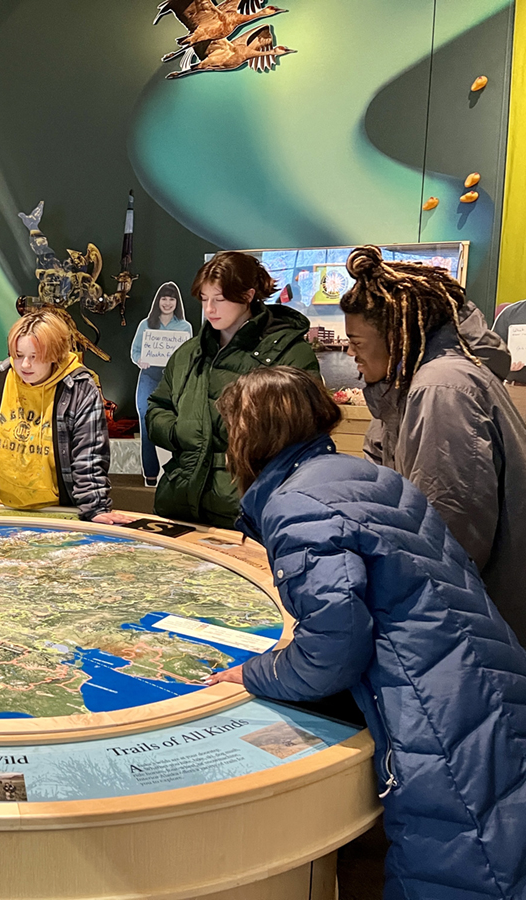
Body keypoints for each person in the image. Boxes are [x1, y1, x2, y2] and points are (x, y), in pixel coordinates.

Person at [208, 366, 526, 899]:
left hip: (436, 712)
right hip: (485, 676)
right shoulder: (366, 476)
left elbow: (333, 649)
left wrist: (254, 673)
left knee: (462, 864)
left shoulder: (295, 504)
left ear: (250, 436)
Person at [341, 245, 526, 639]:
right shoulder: (408, 387)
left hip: (478, 626)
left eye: (356, 343)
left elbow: (449, 535)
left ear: (395, 333)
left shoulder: (441, 390)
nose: (351, 354)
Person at [145, 251, 319, 526]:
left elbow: (306, 430)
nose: (209, 309)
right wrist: (179, 433)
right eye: (204, 299)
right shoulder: (188, 353)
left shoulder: (290, 352)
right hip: (180, 501)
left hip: (249, 508)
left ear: (248, 295)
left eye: (219, 299)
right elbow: (157, 407)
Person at [0, 308, 132, 523]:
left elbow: (89, 458)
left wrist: (95, 508)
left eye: (35, 357)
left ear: (54, 354)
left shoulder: (80, 390)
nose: (25, 365)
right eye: (18, 356)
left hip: (59, 512)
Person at [130, 282, 193, 487]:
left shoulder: (185, 327)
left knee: (177, 424)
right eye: (164, 298)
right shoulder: (145, 324)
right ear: (158, 301)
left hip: (173, 379)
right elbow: (135, 352)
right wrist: (140, 360)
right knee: (146, 421)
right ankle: (150, 473)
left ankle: (176, 471)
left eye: (171, 299)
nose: (167, 303)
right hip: (149, 375)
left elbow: (188, 355)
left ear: (177, 302)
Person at [492, 297, 526, 420]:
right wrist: (505, 363)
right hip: (518, 390)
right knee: (516, 438)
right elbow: (493, 351)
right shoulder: (510, 313)